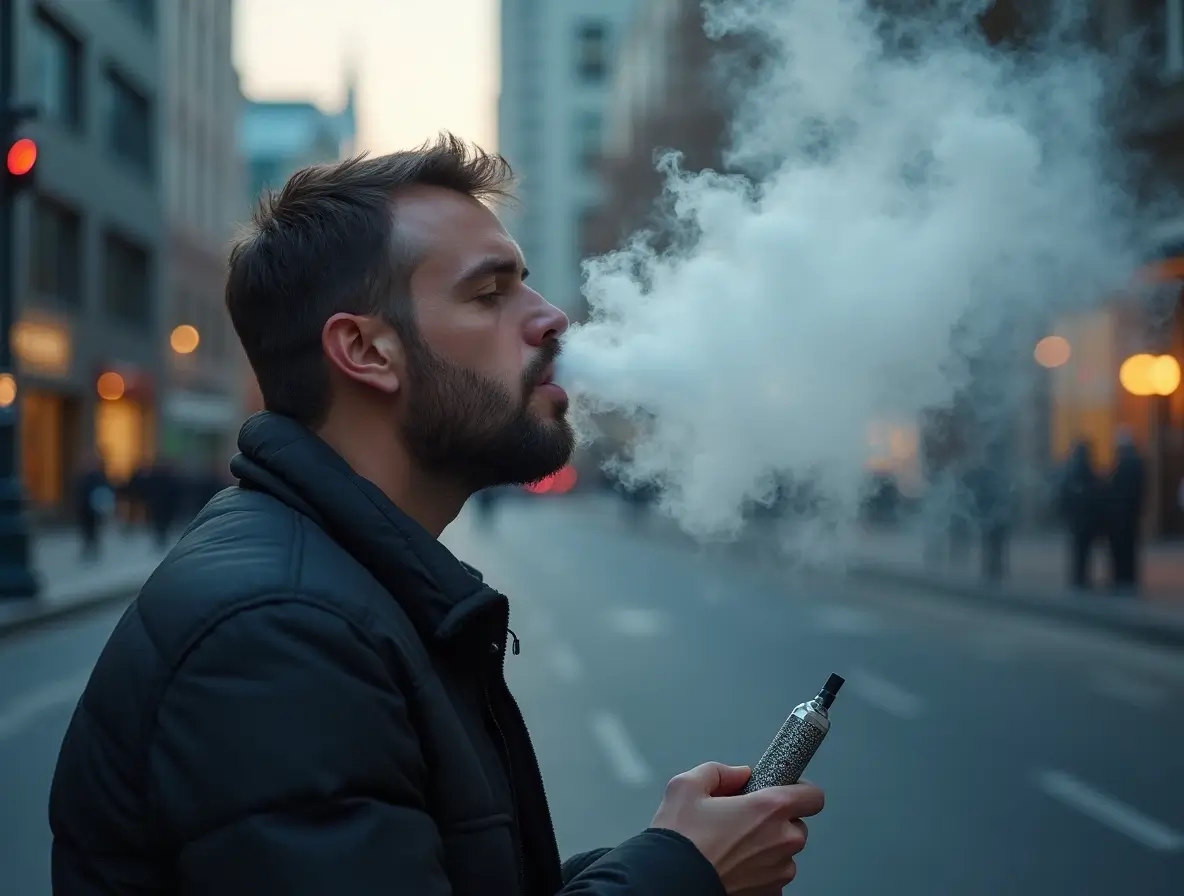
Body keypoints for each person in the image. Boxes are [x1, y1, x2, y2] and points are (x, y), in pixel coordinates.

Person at [48, 135, 825, 896]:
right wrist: (683, 876)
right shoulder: (282, 635)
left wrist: (659, 856)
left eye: (527, 284)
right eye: (490, 293)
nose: (554, 318)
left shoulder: (334, 589)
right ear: (367, 351)